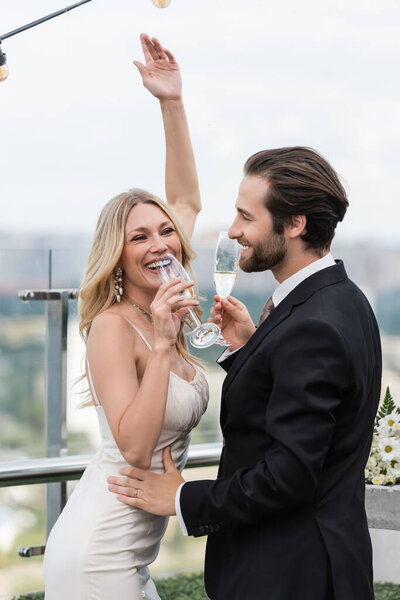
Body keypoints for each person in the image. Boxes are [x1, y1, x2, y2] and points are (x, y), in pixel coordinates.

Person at [108, 146, 382, 600]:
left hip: (290, 576)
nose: (233, 232)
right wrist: (247, 352)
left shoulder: (311, 324)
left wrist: (183, 497)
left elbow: (288, 476)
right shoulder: (343, 299)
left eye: (245, 217)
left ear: (294, 224)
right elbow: (305, 414)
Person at [43, 34, 209, 600]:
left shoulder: (163, 301)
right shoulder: (117, 326)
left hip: (132, 555)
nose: (160, 242)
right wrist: (163, 345)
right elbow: (137, 451)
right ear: (118, 254)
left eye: (166, 231)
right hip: (97, 553)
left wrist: (172, 101)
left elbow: (185, 197)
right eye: (139, 236)